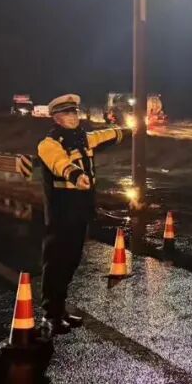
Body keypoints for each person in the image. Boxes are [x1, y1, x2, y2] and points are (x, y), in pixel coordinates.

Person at [37, 94, 126, 333]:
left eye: (75, 112)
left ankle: (60, 309)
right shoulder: (49, 144)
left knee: (71, 262)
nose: (73, 116)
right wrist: (75, 175)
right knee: (56, 262)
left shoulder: (83, 138)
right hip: (61, 214)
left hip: (79, 212)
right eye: (67, 113)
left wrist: (125, 131)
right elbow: (59, 163)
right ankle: (50, 315)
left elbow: (104, 136)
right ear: (56, 117)